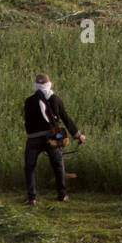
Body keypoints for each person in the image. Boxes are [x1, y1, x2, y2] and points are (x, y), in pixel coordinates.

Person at [23, 73, 85, 205]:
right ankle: (62, 195)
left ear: (36, 85)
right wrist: (78, 135)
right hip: (54, 134)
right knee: (58, 165)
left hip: (34, 137)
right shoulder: (55, 99)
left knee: (30, 167)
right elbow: (66, 119)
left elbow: (27, 122)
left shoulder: (29, 101)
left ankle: (32, 197)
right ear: (49, 84)